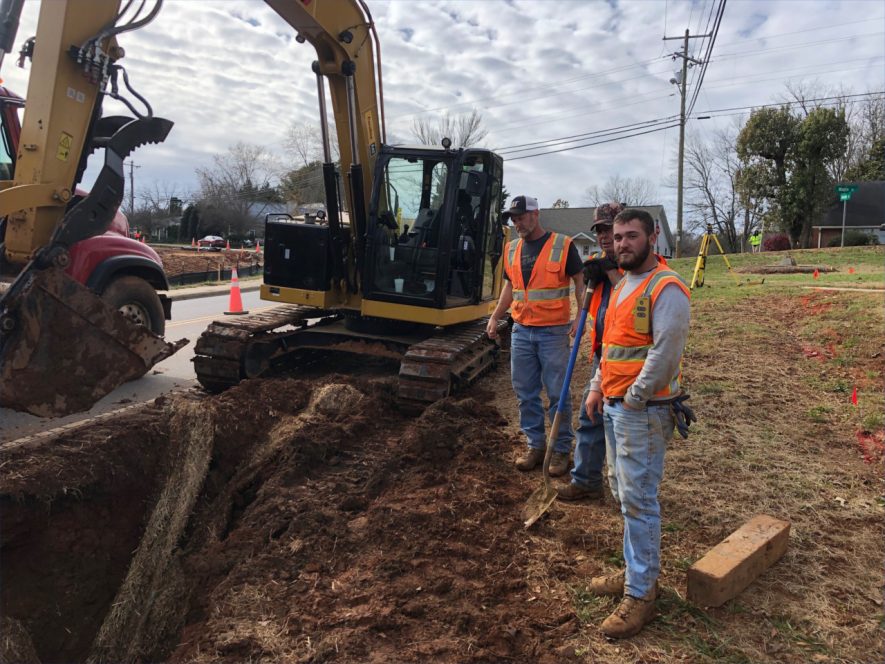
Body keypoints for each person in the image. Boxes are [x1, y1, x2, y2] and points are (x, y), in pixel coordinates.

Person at [584, 208, 691, 639]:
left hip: (640, 412)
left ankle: (642, 593)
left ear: (653, 236)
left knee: (639, 501)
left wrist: (632, 398)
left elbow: (665, 354)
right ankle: (634, 572)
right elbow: (611, 347)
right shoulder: (626, 284)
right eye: (618, 237)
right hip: (614, 405)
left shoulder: (667, 288)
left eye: (631, 236)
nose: (622, 243)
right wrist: (596, 386)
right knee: (622, 492)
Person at [486, 195, 585, 477]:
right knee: (525, 393)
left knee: (558, 393)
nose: (517, 222)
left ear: (535, 214)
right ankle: (536, 446)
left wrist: (581, 316)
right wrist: (495, 316)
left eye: (521, 216)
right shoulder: (512, 249)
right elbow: (510, 288)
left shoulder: (562, 245)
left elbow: (580, 282)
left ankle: (561, 450)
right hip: (521, 331)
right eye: (513, 218)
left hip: (553, 332)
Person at [556, 203, 623, 501]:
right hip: (603, 357)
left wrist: (610, 273)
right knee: (590, 415)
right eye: (600, 230)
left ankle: (626, 494)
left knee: (620, 429)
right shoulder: (598, 264)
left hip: (628, 362)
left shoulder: (635, 266)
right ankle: (585, 480)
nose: (604, 236)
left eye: (609, 229)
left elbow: (630, 303)